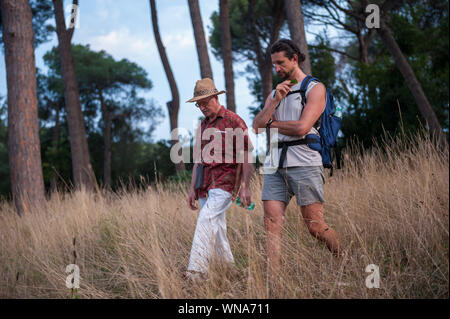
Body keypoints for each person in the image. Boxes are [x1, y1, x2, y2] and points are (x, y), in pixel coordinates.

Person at [252, 39, 342, 283]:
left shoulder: (315, 88)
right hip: (274, 164)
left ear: (294, 59)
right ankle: (273, 284)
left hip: (305, 163)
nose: (276, 68)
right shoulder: (275, 93)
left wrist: (273, 124)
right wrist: (274, 102)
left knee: (315, 227)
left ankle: (343, 258)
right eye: (273, 64)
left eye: (280, 63)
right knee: (271, 225)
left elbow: (303, 127)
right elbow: (257, 126)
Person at [184, 78, 253, 281]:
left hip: (226, 182)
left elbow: (247, 154)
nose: (202, 107)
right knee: (218, 227)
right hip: (205, 183)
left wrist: (245, 187)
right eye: (198, 104)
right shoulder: (203, 126)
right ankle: (229, 269)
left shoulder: (233, 120)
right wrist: (191, 190)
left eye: (205, 102)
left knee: (206, 219)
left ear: (216, 97)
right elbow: (198, 160)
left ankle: (195, 272)